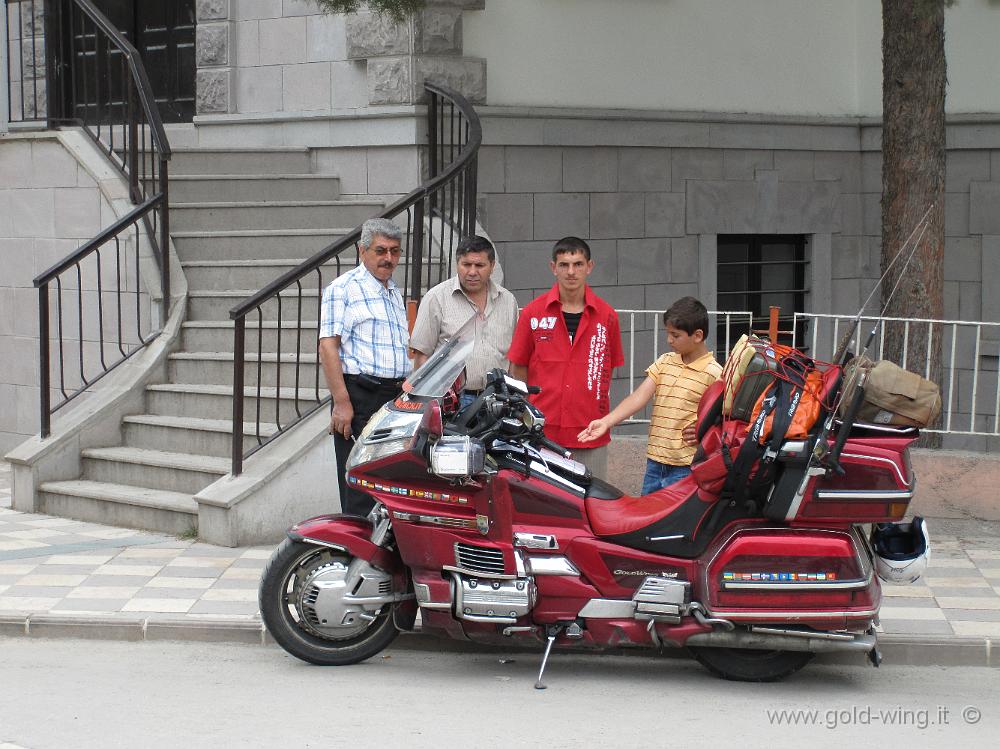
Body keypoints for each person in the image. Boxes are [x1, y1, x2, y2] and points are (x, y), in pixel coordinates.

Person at [577, 296, 723, 494]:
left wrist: (704, 430)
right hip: (654, 463)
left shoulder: (715, 373)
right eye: (668, 333)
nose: (669, 340)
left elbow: (723, 417)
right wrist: (606, 422)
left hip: (685, 467)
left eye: (675, 335)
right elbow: (638, 397)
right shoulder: (665, 361)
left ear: (697, 336)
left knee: (675, 524)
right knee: (649, 519)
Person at [507, 236, 623, 479]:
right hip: (542, 433)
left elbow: (607, 369)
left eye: (578, 264)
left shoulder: (607, 315)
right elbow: (518, 369)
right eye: (564, 265)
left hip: (590, 430)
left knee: (592, 503)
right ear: (553, 268)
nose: (571, 272)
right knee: (545, 505)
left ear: (589, 267)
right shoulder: (533, 313)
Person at [319, 217, 410, 516]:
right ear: (362, 251)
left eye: (395, 251)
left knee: (388, 486)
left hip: (393, 399)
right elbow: (328, 346)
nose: (388, 258)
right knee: (359, 486)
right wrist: (342, 403)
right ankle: (356, 559)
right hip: (360, 396)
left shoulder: (393, 291)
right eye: (380, 250)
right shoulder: (343, 288)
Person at [410, 235, 518, 408]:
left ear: (492, 266)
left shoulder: (508, 300)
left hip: (499, 400)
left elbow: (513, 357)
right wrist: (425, 404)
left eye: (480, 265)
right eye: (466, 264)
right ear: (457, 264)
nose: (472, 272)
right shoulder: (436, 298)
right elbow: (422, 355)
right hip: (454, 401)